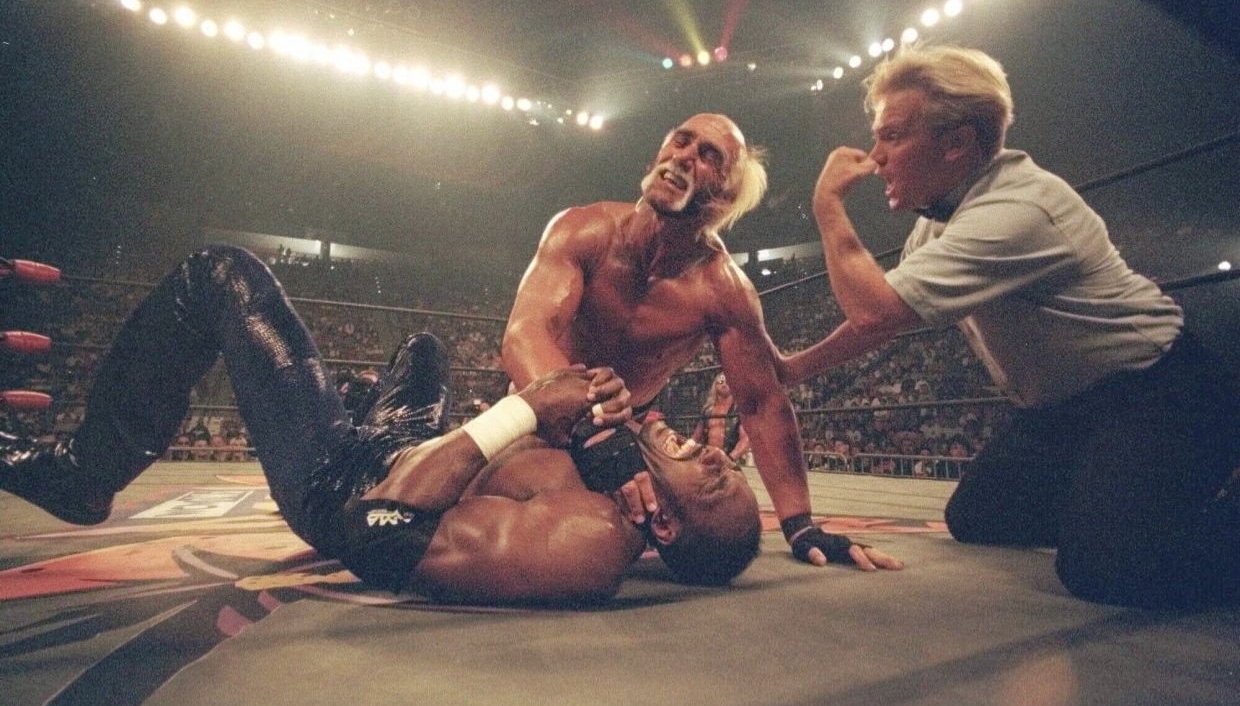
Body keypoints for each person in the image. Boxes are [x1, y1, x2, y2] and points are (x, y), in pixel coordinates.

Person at [0, 246, 762, 604]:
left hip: (339, 477)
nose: (708, 447)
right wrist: (573, 408)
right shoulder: (613, 459)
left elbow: (378, 530)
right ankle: (356, 395)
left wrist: (525, 411)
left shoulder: (583, 543)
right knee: (423, 348)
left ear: (664, 524)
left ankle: (83, 477)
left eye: (715, 474)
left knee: (221, 276)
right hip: (398, 438)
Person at [787, 44, 1240, 608]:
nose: (875, 157)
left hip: (1159, 392)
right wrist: (795, 368)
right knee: (978, 517)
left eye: (893, 136)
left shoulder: (1018, 210)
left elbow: (874, 310)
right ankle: (1117, 502)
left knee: (1104, 570)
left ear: (956, 144)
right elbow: (883, 317)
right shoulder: (944, 221)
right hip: (1058, 413)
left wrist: (828, 204)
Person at [503, 113, 901, 572]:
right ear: (659, 154)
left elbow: (760, 402)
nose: (686, 156)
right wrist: (590, 429)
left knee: (611, 542)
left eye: (709, 156)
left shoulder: (723, 290)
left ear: (724, 198)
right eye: (682, 140)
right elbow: (524, 333)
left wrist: (800, 524)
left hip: (624, 432)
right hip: (543, 407)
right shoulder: (583, 229)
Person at [691, 373, 750, 465]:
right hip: (707, 459)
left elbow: (746, 439)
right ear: (715, 385)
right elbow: (696, 437)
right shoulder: (707, 410)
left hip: (729, 460)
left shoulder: (738, 409)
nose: (724, 384)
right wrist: (684, 450)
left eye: (727, 381)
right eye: (721, 381)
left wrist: (730, 458)